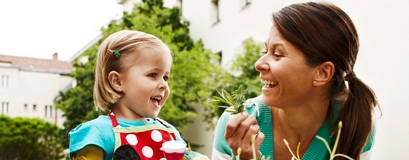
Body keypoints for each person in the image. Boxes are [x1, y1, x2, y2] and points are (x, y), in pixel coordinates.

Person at [212, 2, 378, 160]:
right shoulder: (236, 127)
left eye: (277, 54)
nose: (259, 64)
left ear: (322, 73)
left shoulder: (355, 122)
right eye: (265, 50)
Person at [69, 30, 209, 160]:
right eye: (153, 75)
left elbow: (187, 156)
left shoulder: (168, 131)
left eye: (165, 77)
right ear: (117, 81)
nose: (164, 85)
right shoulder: (99, 133)